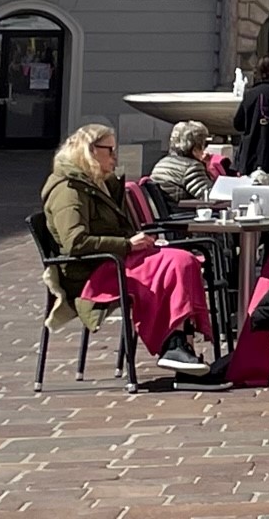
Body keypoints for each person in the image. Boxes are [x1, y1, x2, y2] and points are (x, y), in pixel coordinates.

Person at [41, 122, 214, 376]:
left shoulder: (97, 182)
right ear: (89, 151)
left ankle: (180, 343)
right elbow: (75, 243)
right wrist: (127, 244)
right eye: (109, 150)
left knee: (181, 259)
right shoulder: (68, 190)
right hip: (93, 273)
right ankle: (173, 344)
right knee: (175, 263)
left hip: (114, 260)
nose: (115, 156)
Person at [150, 121, 216, 202]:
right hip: (185, 211)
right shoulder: (191, 167)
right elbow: (210, 196)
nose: (205, 149)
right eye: (205, 144)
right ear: (195, 147)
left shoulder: (161, 163)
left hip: (169, 210)